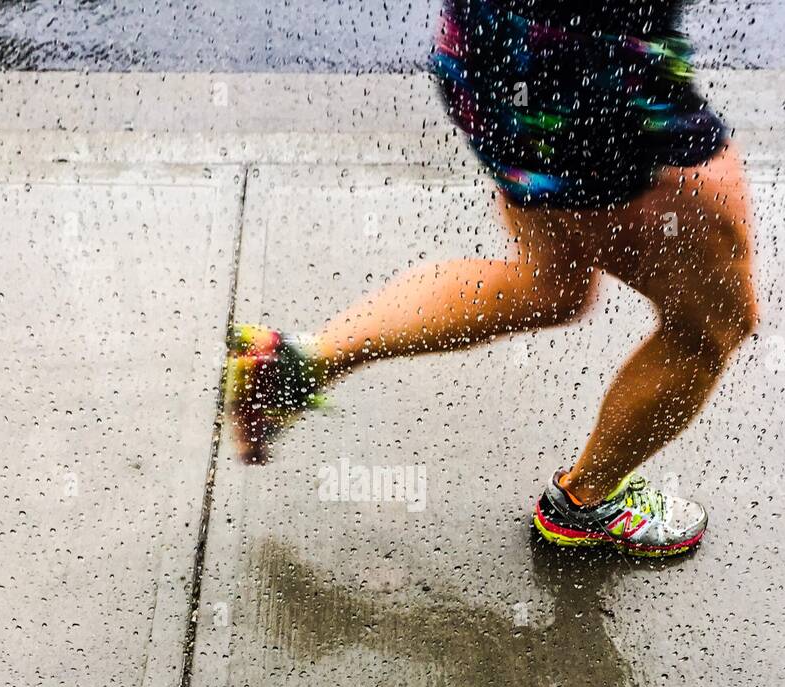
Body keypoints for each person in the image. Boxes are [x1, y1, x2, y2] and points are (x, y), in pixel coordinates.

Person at [225, 0, 757, 557]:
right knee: (711, 325)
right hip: (595, 85)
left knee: (550, 282)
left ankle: (297, 363)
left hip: (491, 58)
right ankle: (585, 506)